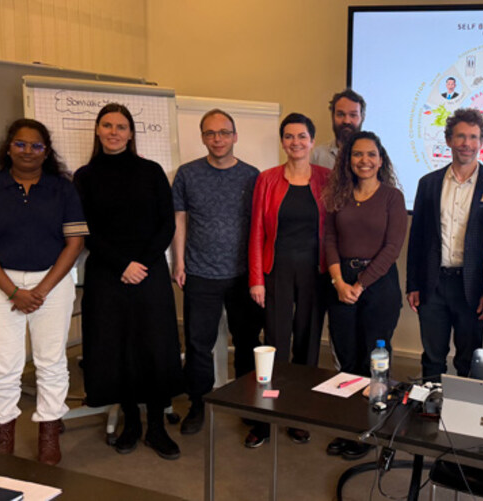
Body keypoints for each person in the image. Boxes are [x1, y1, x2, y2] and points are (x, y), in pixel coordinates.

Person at [0, 118, 86, 465]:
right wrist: (14, 291)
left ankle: (49, 433)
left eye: (36, 146)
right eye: (20, 144)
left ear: (46, 152)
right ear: (8, 147)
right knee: (4, 366)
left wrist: (42, 289)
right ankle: (2, 436)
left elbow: (74, 243)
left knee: (51, 361)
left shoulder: (62, 189)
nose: (28, 151)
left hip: (53, 282)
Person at [74, 103, 184, 460]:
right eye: (107, 125)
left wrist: (142, 263)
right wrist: (123, 264)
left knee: (153, 347)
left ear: (131, 133)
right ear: (97, 130)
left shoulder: (151, 172)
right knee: (115, 348)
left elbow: (166, 224)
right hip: (107, 275)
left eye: (121, 126)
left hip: (149, 273)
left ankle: (155, 425)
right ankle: (131, 422)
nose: (113, 132)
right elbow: (84, 229)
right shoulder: (84, 177)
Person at [171, 109, 265, 436]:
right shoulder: (186, 174)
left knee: (247, 342)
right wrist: (178, 263)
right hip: (199, 274)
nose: (218, 139)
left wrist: (260, 274)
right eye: (210, 133)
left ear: (235, 136)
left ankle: (246, 405)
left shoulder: (253, 177)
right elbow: (179, 220)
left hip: (243, 276)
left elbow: (261, 228)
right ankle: (198, 403)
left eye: (224, 133)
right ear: (202, 138)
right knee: (198, 344)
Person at [406, 108, 483, 381]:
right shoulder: (428, 183)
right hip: (433, 282)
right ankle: (429, 414)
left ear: (482, 141)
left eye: (474, 137)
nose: (467, 143)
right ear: (449, 140)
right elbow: (417, 237)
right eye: (461, 136)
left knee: (470, 358)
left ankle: (464, 416)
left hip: (472, 287)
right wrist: (413, 284)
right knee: (432, 356)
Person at [323, 131, 407, 460]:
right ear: (348, 160)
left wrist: (361, 284)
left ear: (381, 159)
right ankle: (349, 429)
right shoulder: (338, 195)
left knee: (376, 364)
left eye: (371, 155)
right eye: (357, 155)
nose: (364, 161)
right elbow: (329, 239)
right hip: (341, 282)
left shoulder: (392, 197)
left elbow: (392, 248)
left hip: (379, 285)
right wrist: (339, 282)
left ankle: (373, 431)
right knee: (348, 360)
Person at [248, 113, 330, 447]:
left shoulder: (327, 178)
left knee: (308, 345)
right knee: (274, 344)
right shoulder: (267, 179)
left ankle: (298, 413)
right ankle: (266, 418)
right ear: (282, 141)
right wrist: (256, 278)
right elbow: (255, 231)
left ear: (312, 140)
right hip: (276, 269)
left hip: (316, 271)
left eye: (302, 136)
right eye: (289, 136)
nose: (295, 142)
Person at [311, 89, 365, 168]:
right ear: (332, 116)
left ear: (362, 118)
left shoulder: (372, 157)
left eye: (353, 115)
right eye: (340, 114)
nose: (346, 121)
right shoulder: (318, 156)